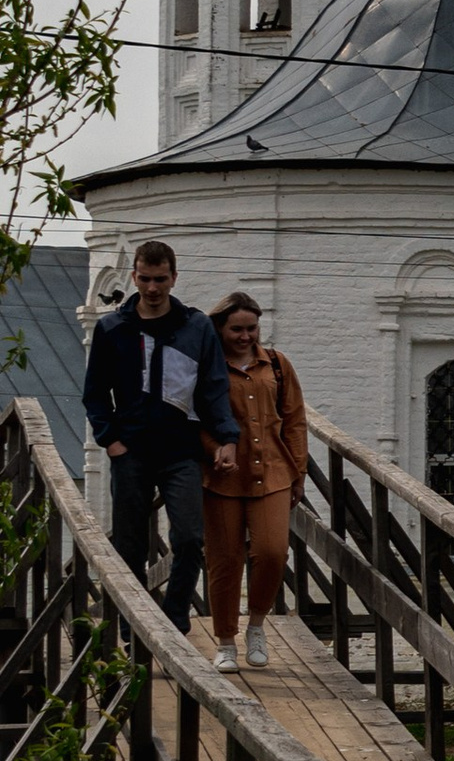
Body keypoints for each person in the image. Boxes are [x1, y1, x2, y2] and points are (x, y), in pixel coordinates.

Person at [80, 239, 239, 637]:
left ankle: (174, 620)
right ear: (134, 277)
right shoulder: (112, 327)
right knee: (130, 545)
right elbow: (95, 392)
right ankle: (134, 626)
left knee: (188, 537)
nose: (153, 288)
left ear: (174, 277)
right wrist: (110, 440)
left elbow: (214, 387)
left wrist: (226, 437)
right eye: (146, 279)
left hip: (181, 449)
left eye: (161, 279)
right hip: (130, 449)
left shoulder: (195, 326)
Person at [202, 293, 308, 672]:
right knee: (225, 559)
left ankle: (257, 625)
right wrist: (214, 448)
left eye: (252, 328)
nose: (245, 336)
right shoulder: (207, 366)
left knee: (273, 551)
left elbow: (294, 419)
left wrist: (299, 472)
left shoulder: (277, 365)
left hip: (274, 471)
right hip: (223, 476)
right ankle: (226, 640)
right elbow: (194, 418)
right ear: (220, 328)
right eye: (237, 329)